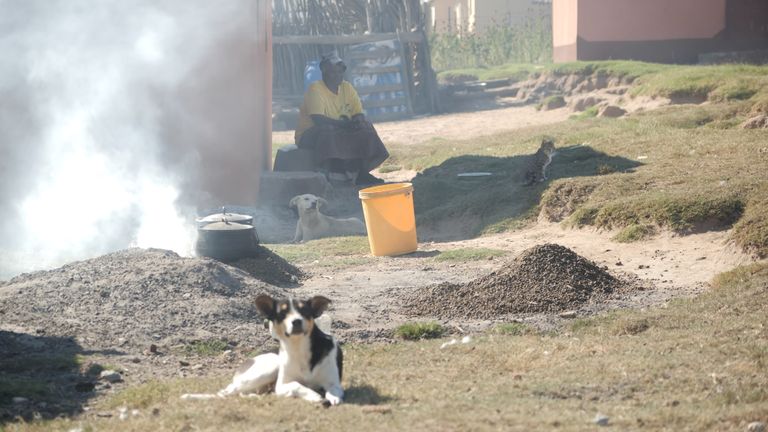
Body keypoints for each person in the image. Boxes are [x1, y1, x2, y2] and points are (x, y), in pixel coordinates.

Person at [294, 51, 388, 186]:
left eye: (340, 72)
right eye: (333, 72)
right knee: (327, 129)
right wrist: (345, 125)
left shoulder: (347, 87)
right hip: (309, 135)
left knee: (365, 127)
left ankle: (362, 172)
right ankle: (330, 172)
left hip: (340, 128)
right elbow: (318, 119)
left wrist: (358, 120)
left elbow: (358, 112)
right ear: (324, 72)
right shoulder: (315, 89)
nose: (338, 76)